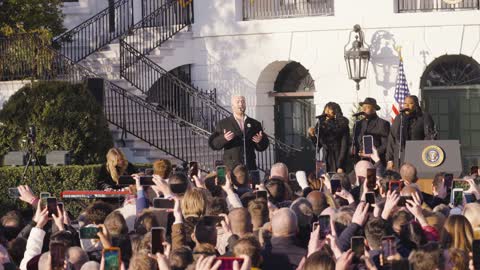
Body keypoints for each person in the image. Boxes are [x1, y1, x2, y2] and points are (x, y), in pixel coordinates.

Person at [208, 95, 269, 170]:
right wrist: (224, 138)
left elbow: (263, 146)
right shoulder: (223, 123)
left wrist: (260, 141)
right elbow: (213, 144)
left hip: (250, 166)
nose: (241, 104)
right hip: (231, 167)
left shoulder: (255, 124)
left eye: (243, 101)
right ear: (232, 106)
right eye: (238, 102)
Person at [386, 95, 437, 170]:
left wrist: (423, 151)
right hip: (400, 156)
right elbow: (392, 138)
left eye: (410, 103)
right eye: (405, 103)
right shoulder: (399, 118)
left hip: (418, 154)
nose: (406, 105)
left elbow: (430, 136)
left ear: (416, 105)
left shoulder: (423, 117)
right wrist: (390, 159)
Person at [308, 102, 350, 173]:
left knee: (336, 182)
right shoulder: (321, 124)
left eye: (329, 109)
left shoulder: (342, 125)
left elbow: (344, 146)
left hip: (337, 159)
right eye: (326, 109)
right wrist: (312, 136)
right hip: (324, 159)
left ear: (335, 111)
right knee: (325, 181)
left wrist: (340, 165)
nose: (326, 111)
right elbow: (318, 145)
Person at [352, 97, 390, 165]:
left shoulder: (382, 123)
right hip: (360, 161)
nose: (364, 109)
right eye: (363, 107)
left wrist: (373, 153)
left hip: (375, 161)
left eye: (367, 107)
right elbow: (355, 142)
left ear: (374, 109)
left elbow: (386, 144)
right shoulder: (358, 124)